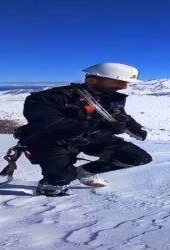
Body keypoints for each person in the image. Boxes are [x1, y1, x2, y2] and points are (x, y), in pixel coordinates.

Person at [17, 63, 152, 197]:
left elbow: (118, 115)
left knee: (138, 157)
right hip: (53, 141)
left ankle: (85, 172)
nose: (123, 86)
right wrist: (99, 125)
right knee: (60, 180)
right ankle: (50, 193)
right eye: (119, 82)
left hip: (91, 137)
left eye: (126, 83)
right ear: (92, 80)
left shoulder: (111, 97)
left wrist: (135, 128)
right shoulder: (47, 98)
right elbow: (50, 125)